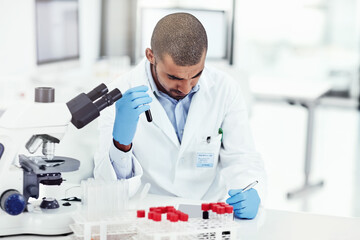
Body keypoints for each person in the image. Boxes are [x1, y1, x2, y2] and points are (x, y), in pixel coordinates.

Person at [94, 12, 266, 219]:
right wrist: (121, 144)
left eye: (196, 75)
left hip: (207, 212)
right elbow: (110, 187)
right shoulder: (119, 93)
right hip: (147, 214)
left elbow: (242, 158)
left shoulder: (225, 89)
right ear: (151, 56)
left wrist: (249, 190)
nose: (185, 88)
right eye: (174, 77)